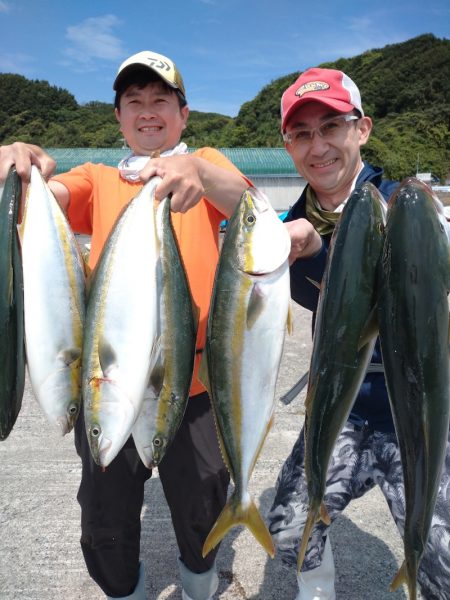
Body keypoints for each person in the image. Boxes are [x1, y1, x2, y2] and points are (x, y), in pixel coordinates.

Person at [0, 50, 252, 600]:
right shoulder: (98, 175)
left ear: (184, 115)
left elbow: (252, 208)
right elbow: (52, 199)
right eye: (133, 102)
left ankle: (198, 582)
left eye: (160, 100)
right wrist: (24, 168)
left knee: (205, 495)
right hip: (107, 381)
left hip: (195, 381)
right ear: (117, 118)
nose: (147, 111)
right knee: (103, 515)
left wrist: (200, 172)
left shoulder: (207, 164)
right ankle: (125, 591)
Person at [267, 67, 450, 600]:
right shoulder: (289, 226)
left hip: (411, 416)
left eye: (332, 126)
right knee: (287, 526)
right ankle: (316, 590)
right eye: (302, 133)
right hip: (342, 412)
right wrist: (312, 251)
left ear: (362, 128)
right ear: (288, 144)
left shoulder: (407, 205)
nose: (318, 145)